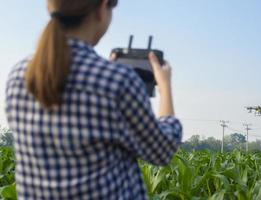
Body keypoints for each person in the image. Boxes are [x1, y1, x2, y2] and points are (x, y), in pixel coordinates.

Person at [5, 0, 182, 199]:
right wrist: (165, 85)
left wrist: (105, 75)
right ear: (102, 8)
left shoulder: (17, 76)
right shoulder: (117, 81)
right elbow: (162, 150)